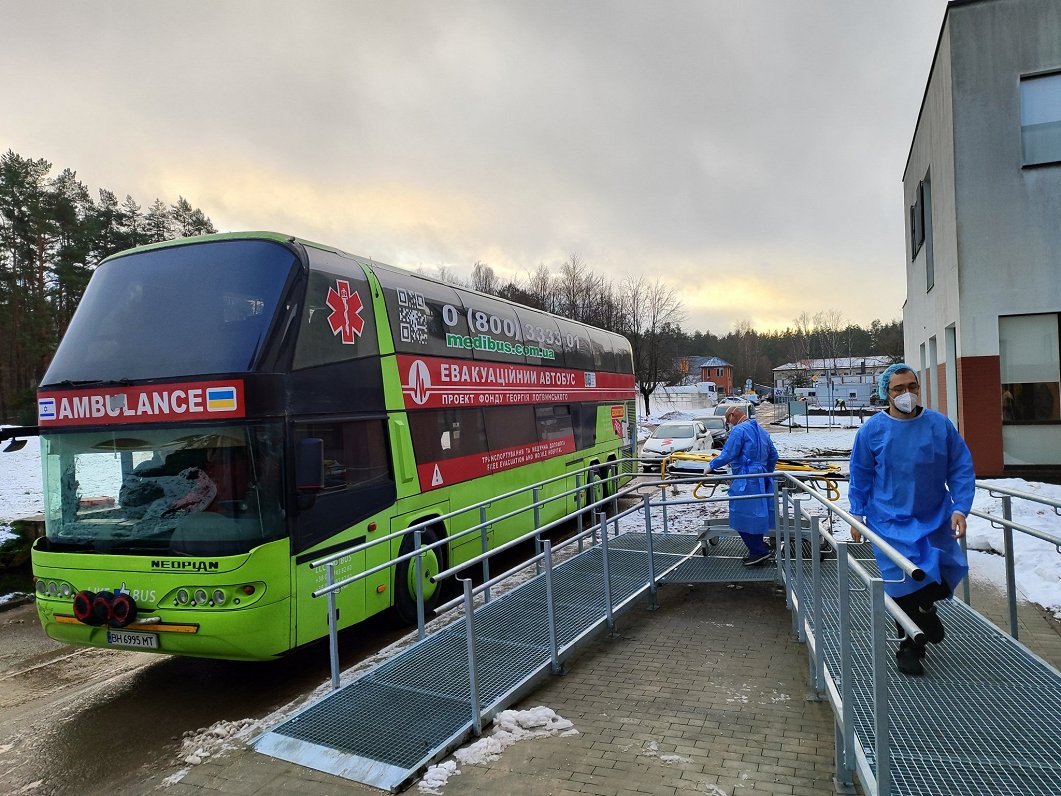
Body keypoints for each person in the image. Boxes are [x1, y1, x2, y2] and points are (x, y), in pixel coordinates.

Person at [848, 363, 975, 677]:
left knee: (944, 572)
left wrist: (960, 508)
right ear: (886, 394)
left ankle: (926, 607)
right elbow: (860, 475)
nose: (907, 394)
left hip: (934, 515)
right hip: (888, 520)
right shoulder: (872, 431)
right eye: (898, 389)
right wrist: (856, 513)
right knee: (903, 583)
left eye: (912, 387)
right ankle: (909, 647)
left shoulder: (939, 426)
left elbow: (960, 467)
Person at [706, 407, 779, 566]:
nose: (728, 424)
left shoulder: (739, 431)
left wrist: (711, 465)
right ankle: (758, 548)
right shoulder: (761, 431)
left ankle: (759, 551)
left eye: (728, 420)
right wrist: (766, 471)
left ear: (733, 416)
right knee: (757, 515)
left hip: (746, 479)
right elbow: (774, 455)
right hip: (763, 478)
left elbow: (728, 453)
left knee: (741, 516)